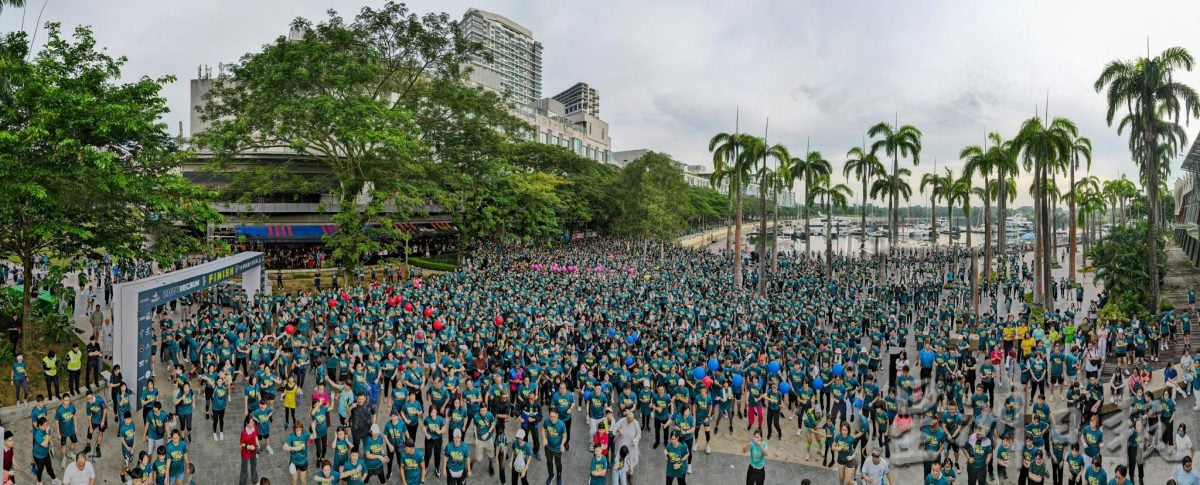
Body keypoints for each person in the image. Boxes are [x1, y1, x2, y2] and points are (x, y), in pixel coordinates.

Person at [282, 421, 312, 485]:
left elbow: (314, 436)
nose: (298, 432)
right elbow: (284, 447)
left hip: (303, 462)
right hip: (294, 462)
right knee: (294, 480)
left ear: (302, 429)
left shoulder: (305, 434)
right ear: (294, 430)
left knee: (303, 480)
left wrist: (314, 429)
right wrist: (293, 448)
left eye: (300, 430)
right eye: (297, 430)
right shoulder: (291, 436)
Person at [33, 417, 58, 485]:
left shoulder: (47, 430)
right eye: (44, 425)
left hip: (46, 453)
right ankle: (39, 481)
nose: (46, 427)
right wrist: (47, 433)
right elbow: (45, 444)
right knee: (40, 469)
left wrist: (52, 446)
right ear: (40, 426)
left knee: (49, 467)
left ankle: (54, 479)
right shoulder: (37, 434)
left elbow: (49, 438)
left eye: (47, 424)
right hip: (38, 456)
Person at [240, 415, 261, 485]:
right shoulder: (243, 432)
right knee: (244, 469)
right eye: (251, 422)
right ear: (247, 423)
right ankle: (242, 483)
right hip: (245, 452)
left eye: (253, 422)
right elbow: (242, 444)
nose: (253, 424)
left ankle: (255, 480)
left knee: (254, 465)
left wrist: (258, 446)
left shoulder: (254, 427)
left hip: (253, 451)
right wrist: (248, 446)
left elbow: (256, 437)